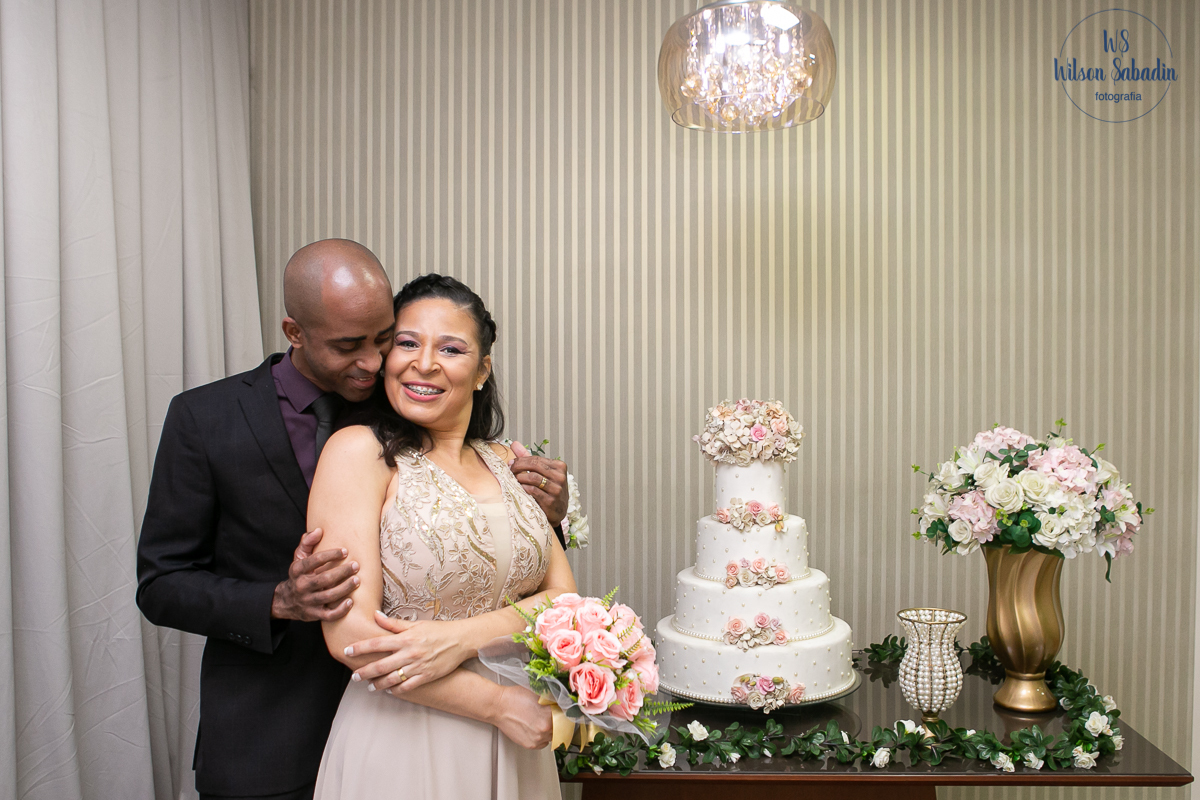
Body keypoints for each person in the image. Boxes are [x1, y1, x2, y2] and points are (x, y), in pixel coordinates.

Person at [136, 240, 570, 800]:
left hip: (431, 714)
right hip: (272, 728)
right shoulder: (205, 418)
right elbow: (161, 583)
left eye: (384, 338)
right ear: (296, 333)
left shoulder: (414, 406)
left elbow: (482, 552)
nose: (373, 362)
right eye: (349, 346)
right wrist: (276, 600)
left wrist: (546, 518)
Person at [310, 274, 573, 799]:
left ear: (482, 370)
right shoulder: (357, 451)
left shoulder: (508, 462)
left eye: (450, 348)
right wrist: (496, 705)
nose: (423, 363)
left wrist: (461, 639)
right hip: (408, 728)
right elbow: (350, 635)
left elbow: (565, 600)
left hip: (518, 731)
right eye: (407, 342)